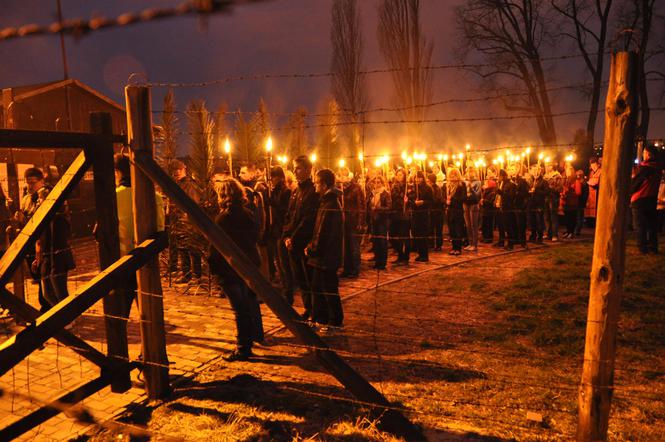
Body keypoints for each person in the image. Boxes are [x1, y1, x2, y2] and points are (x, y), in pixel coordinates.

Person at [208, 177, 263, 361]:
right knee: (248, 304)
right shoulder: (248, 214)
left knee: (240, 309)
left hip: (231, 270)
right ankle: (254, 336)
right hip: (249, 265)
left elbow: (217, 247)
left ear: (223, 195)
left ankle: (243, 347)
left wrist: (214, 267)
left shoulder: (224, 218)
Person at [282, 155, 319, 320]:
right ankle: (308, 308)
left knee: (309, 278)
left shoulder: (313, 191)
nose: (295, 171)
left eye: (298, 168)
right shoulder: (296, 191)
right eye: (294, 168)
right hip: (292, 243)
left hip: (304, 243)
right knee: (300, 278)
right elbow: (289, 215)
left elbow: (308, 219)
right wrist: (286, 236)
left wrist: (294, 238)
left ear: (308, 170)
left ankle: (314, 309)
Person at [306, 169, 344, 330]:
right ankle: (321, 318)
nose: (314, 185)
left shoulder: (331, 204)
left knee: (328, 288)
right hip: (322, 255)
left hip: (326, 255)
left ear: (324, 184)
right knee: (317, 287)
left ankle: (335, 320)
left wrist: (312, 249)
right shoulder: (326, 201)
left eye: (317, 182)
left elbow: (323, 232)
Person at [34, 186, 75, 308]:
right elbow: (41, 241)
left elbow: (56, 242)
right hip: (46, 259)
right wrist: (39, 257)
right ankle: (60, 315)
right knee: (47, 293)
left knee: (60, 292)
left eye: (40, 198)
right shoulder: (42, 217)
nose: (37, 201)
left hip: (57, 259)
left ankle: (68, 317)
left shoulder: (58, 218)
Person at [17, 167, 51, 312]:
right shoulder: (25, 199)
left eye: (33, 182)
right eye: (28, 183)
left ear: (42, 181)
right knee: (36, 275)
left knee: (45, 273)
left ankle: (46, 303)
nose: (30, 186)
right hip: (30, 243)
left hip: (44, 241)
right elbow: (24, 220)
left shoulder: (47, 195)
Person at [170, 160, 203, 284]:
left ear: (184, 170)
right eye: (175, 170)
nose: (177, 172)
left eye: (179, 170)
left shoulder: (190, 185)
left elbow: (193, 203)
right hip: (178, 220)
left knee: (192, 248)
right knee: (182, 248)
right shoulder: (176, 184)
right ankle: (186, 274)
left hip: (188, 221)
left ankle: (196, 275)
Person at [268, 166, 294, 304]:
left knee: (284, 263)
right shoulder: (276, 190)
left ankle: (288, 292)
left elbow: (284, 210)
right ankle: (285, 289)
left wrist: (271, 199)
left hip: (282, 231)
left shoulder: (286, 191)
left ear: (279, 178)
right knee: (278, 262)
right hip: (276, 231)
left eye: (273, 177)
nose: (271, 180)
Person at [630, 144, 662, 254]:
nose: (643, 154)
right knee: (651, 226)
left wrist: (629, 192)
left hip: (640, 199)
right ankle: (653, 247)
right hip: (652, 199)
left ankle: (642, 248)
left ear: (648, 154)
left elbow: (635, 184)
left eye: (644, 152)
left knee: (640, 225)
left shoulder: (645, 168)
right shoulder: (658, 168)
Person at [338, 167, 365, 278]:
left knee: (354, 246)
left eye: (344, 175)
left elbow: (361, 205)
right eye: (340, 175)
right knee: (346, 247)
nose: (342, 177)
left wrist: (361, 222)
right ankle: (346, 269)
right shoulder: (339, 189)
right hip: (344, 221)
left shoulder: (356, 188)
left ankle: (355, 269)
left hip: (354, 221)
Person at [368, 174, 392, 269]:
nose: (376, 184)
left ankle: (382, 262)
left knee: (382, 241)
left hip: (382, 220)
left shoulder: (385, 193)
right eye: (375, 182)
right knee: (376, 241)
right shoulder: (372, 193)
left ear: (382, 183)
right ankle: (377, 261)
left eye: (378, 182)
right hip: (374, 220)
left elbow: (389, 207)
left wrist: (378, 208)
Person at [409, 170, 433, 262]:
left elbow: (431, 201)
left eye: (419, 177)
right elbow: (410, 200)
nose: (418, 180)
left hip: (423, 214)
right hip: (415, 214)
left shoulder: (428, 188)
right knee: (416, 234)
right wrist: (413, 202)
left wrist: (423, 202)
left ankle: (424, 255)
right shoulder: (414, 188)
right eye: (416, 178)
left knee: (423, 235)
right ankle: (420, 253)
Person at [390, 168, 410, 264]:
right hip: (395, 213)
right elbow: (393, 198)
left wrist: (407, 200)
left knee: (404, 236)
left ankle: (405, 257)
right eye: (397, 175)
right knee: (393, 236)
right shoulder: (393, 186)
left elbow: (412, 199)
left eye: (401, 175)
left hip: (404, 213)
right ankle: (400, 254)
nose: (399, 177)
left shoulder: (408, 186)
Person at [446, 168, 466, 255]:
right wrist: (446, 201)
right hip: (450, 210)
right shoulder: (448, 186)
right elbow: (445, 197)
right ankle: (453, 247)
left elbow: (463, 198)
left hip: (458, 210)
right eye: (451, 175)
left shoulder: (461, 185)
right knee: (452, 230)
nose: (452, 177)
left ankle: (458, 248)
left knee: (458, 229)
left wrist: (453, 199)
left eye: (454, 175)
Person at [496, 169, 518, 249]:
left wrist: (501, 193)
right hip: (500, 207)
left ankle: (510, 244)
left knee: (509, 226)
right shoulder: (501, 183)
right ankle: (501, 241)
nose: (498, 178)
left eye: (499, 176)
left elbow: (510, 197)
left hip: (507, 208)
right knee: (501, 226)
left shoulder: (510, 184)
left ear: (503, 176)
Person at [528, 166, 548, 243]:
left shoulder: (543, 182)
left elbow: (546, 192)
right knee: (532, 221)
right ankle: (533, 235)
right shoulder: (531, 181)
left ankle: (540, 237)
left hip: (539, 203)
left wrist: (536, 190)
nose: (535, 172)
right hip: (532, 203)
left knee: (539, 220)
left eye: (537, 171)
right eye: (534, 171)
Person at [463, 167, 481, 252]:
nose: (470, 174)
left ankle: (475, 244)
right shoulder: (465, 182)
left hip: (474, 204)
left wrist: (471, 188)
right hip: (466, 204)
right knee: (468, 225)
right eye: (468, 172)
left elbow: (477, 195)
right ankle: (470, 243)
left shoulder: (478, 182)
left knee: (474, 225)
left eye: (472, 172)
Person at [544, 163, 563, 241]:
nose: (547, 167)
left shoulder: (557, 176)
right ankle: (548, 233)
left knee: (553, 217)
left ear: (552, 167)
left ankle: (554, 234)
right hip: (546, 198)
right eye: (546, 166)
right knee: (546, 217)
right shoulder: (545, 176)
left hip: (553, 198)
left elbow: (560, 188)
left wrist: (551, 188)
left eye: (548, 165)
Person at [561, 166, 582, 239]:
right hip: (566, 202)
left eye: (569, 171)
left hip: (572, 203)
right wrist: (563, 193)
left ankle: (571, 232)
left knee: (572, 217)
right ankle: (568, 231)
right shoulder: (566, 181)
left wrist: (570, 191)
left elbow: (578, 192)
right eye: (566, 171)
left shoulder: (576, 181)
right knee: (567, 217)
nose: (567, 173)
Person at [428, 173, 445, 251]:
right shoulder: (429, 188)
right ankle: (431, 244)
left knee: (438, 229)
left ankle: (438, 245)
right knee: (430, 228)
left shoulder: (437, 188)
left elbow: (438, 200)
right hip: (431, 211)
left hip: (437, 211)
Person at [480, 170, 497, 243]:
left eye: (486, 184)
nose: (484, 185)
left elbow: (491, 202)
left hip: (489, 211)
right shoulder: (486, 192)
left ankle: (489, 238)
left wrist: (483, 201)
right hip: (485, 211)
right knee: (484, 224)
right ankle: (484, 237)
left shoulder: (492, 192)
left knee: (489, 225)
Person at [585, 157, 601, 223]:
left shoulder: (601, 171)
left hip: (597, 193)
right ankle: (590, 221)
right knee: (590, 209)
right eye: (591, 165)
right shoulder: (591, 172)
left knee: (595, 209)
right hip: (591, 193)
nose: (592, 166)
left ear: (598, 164)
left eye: (594, 164)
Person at [575, 169, 589, 236]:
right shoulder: (580, 182)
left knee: (579, 216)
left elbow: (585, 194)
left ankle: (577, 230)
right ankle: (577, 229)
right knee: (578, 216)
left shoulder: (583, 183)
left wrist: (584, 201)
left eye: (578, 175)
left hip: (580, 201)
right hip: (578, 201)